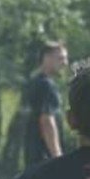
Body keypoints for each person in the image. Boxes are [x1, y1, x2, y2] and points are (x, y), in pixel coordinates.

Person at [22, 41, 69, 169]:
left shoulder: (33, 82)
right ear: (46, 58)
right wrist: (57, 156)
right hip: (45, 157)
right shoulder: (47, 85)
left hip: (32, 155)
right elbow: (46, 120)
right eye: (60, 58)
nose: (65, 63)